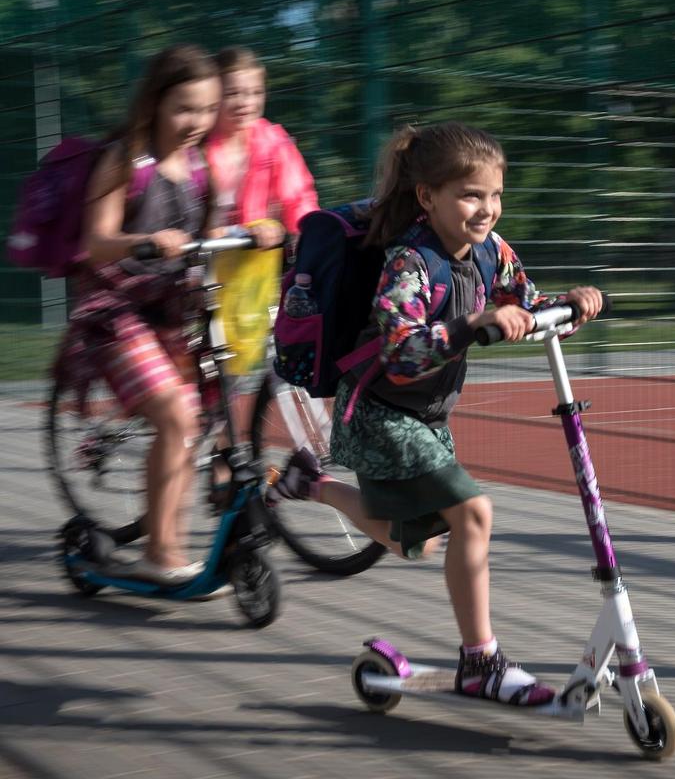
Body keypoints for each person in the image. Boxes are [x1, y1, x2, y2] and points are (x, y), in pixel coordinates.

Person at [269, 122, 603, 706]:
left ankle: (310, 484)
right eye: (471, 195)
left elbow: (526, 303)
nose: (487, 209)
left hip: (424, 416)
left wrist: (568, 306)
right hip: (379, 410)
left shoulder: (491, 252)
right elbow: (400, 354)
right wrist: (469, 325)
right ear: (428, 196)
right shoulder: (411, 263)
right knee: (473, 515)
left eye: (496, 195)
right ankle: (483, 664)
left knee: (414, 543)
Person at [60, 45, 276, 584]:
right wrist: (146, 241)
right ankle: (161, 552)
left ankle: (175, 541)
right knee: (177, 418)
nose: (196, 122)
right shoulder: (124, 159)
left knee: (205, 418)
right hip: (113, 313)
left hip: (172, 312)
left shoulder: (201, 166)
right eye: (184, 109)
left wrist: (254, 231)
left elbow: (204, 237)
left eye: (205, 110)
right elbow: (97, 240)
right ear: (155, 102)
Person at [205, 46, 318, 241]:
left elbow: (299, 200)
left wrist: (312, 236)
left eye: (256, 93)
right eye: (233, 93)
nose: (245, 102)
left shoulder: (275, 143)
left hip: (258, 258)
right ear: (213, 95)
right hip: (203, 260)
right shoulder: (196, 145)